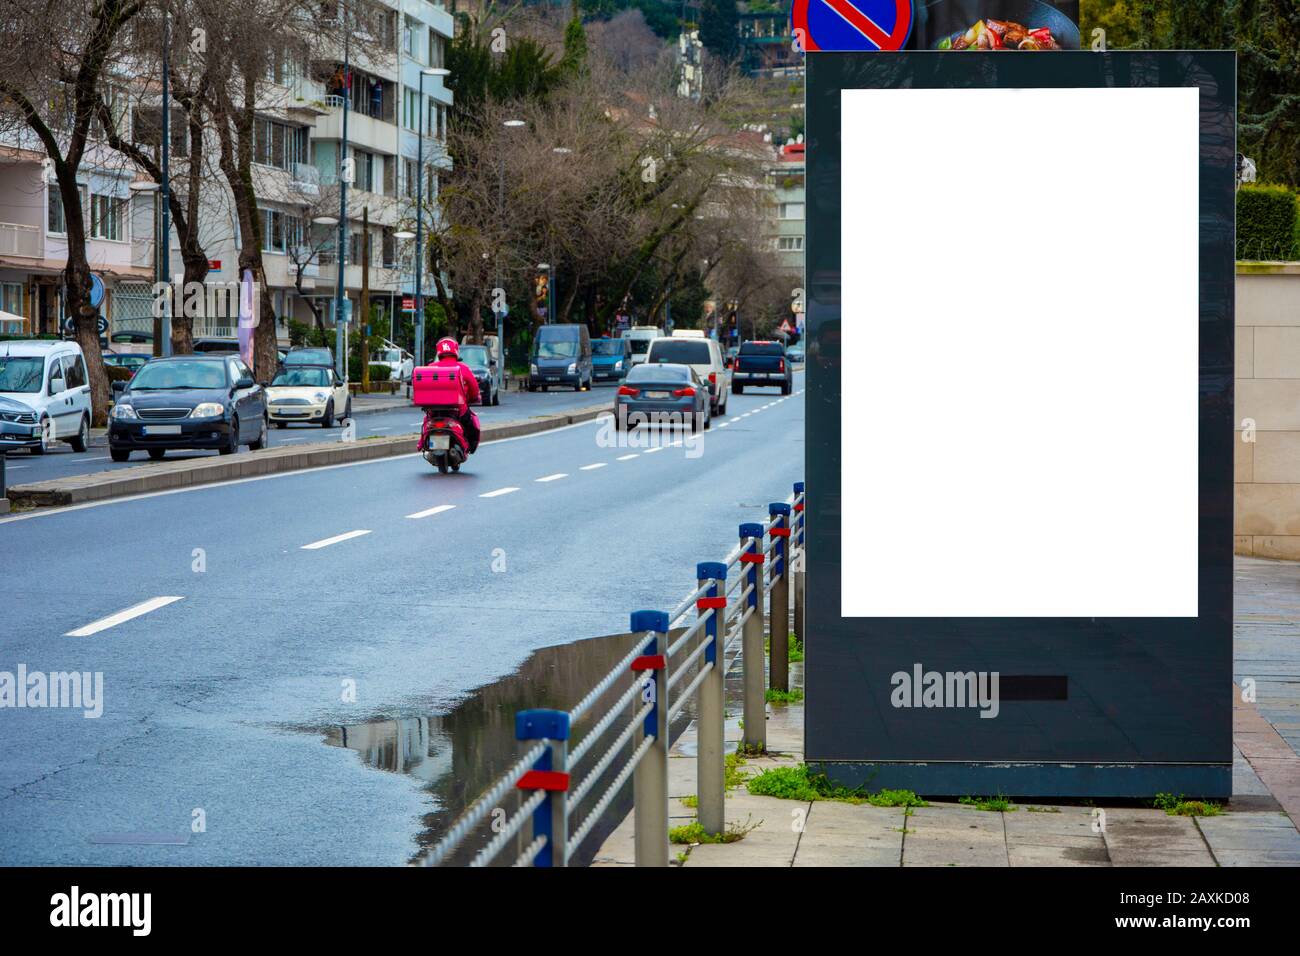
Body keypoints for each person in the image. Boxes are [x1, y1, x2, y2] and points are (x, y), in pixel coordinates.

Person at [433, 337, 481, 452]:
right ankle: (468, 447)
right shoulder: (463, 368)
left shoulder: (430, 367)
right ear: (455, 351)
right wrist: (475, 397)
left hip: (433, 411)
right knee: (471, 426)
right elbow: (474, 388)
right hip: (458, 411)